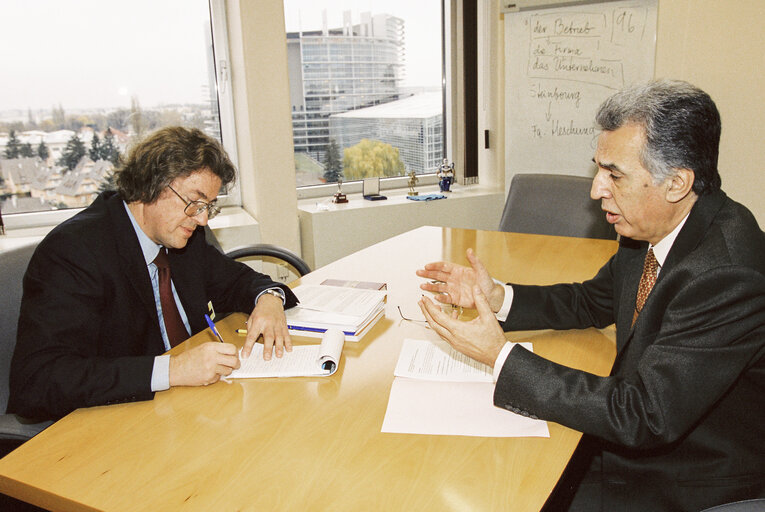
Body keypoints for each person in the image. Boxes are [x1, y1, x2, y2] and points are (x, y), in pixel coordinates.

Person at [416, 80, 765, 511]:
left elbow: (644, 416)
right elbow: (593, 300)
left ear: (676, 183)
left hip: (685, 475)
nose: (596, 189)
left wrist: (499, 356)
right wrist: (498, 297)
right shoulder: (653, 222)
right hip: (631, 442)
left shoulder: (727, 272)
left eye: (614, 174)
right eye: (599, 168)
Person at [8, 126, 299, 422]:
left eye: (208, 206)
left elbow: (236, 280)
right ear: (151, 184)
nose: (201, 219)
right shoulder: (75, 251)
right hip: (117, 418)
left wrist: (269, 299)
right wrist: (173, 369)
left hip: (192, 405)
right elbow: (38, 380)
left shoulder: (180, 233)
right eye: (195, 202)